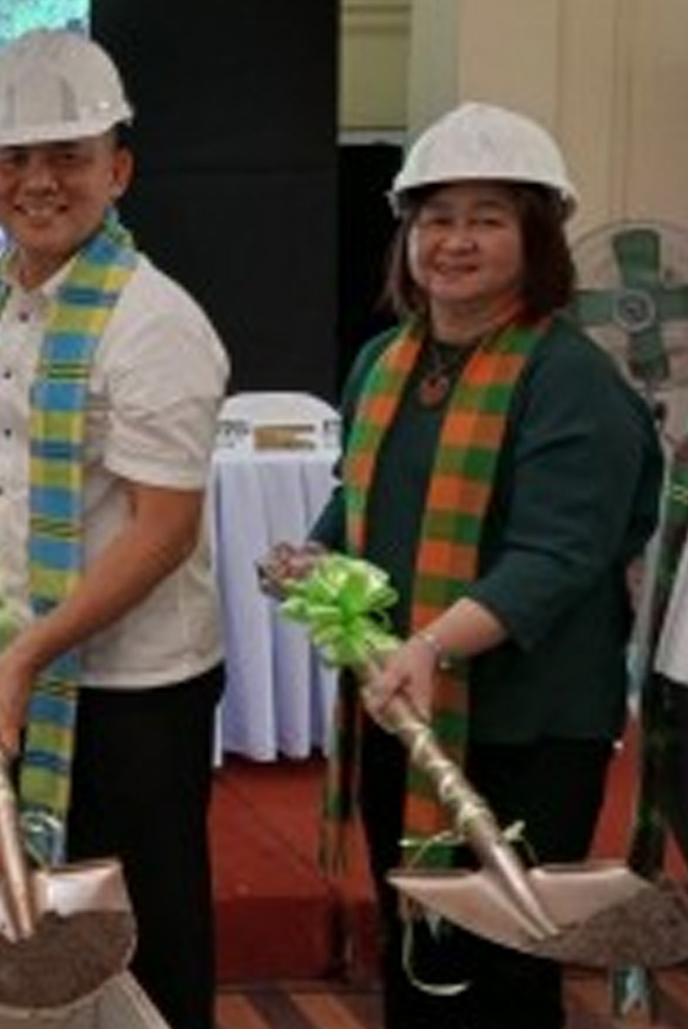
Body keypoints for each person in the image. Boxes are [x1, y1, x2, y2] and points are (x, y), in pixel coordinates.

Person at [295, 101, 659, 1029]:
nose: (454, 242)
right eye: (435, 218)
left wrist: (429, 645)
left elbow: (558, 554)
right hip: (406, 704)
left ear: (536, 236)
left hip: (527, 722)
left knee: (504, 967)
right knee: (416, 942)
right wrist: (316, 551)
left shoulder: (568, 378)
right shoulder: (385, 360)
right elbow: (361, 493)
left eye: (486, 219)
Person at [0, 28, 228, 1029]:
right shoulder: (5, 291)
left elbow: (162, 531)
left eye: (67, 158)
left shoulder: (153, 322)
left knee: (141, 931)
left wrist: (28, 652)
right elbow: (20, 439)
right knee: (50, 906)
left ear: (117, 170)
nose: (38, 182)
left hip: (133, 688)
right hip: (33, 655)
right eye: (14, 158)